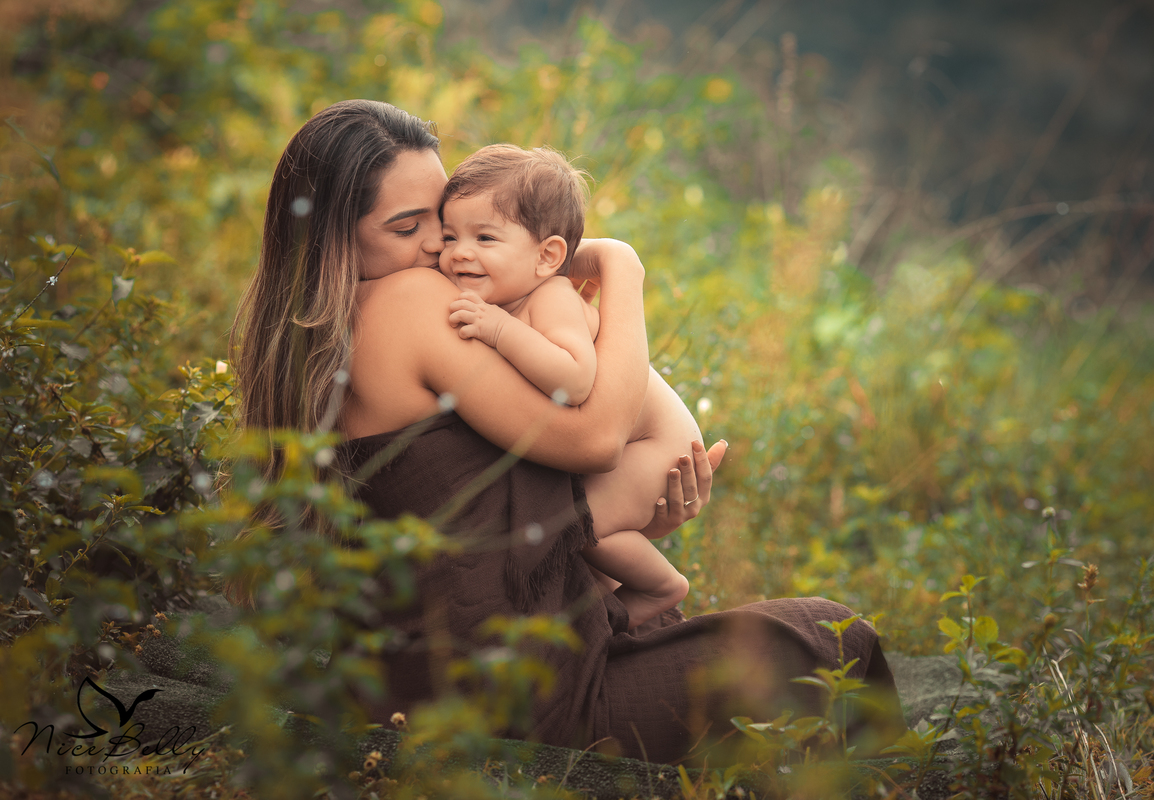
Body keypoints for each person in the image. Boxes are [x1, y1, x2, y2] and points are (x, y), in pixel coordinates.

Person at [230, 99, 905, 764]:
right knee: (833, 639)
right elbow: (596, 439)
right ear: (330, 238)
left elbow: (459, 526)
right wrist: (621, 270)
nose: (441, 245)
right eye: (408, 226)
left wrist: (617, 523)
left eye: (443, 217)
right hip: (520, 696)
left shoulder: (304, 347)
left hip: (426, 680)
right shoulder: (410, 300)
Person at [438, 143, 704, 629]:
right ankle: (603, 601)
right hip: (637, 439)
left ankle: (660, 588)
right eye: (448, 236)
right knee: (578, 528)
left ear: (548, 257)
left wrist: (498, 330)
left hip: (659, 444)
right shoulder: (510, 297)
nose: (459, 253)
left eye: (485, 238)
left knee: (583, 523)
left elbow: (575, 379)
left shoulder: (552, 297)